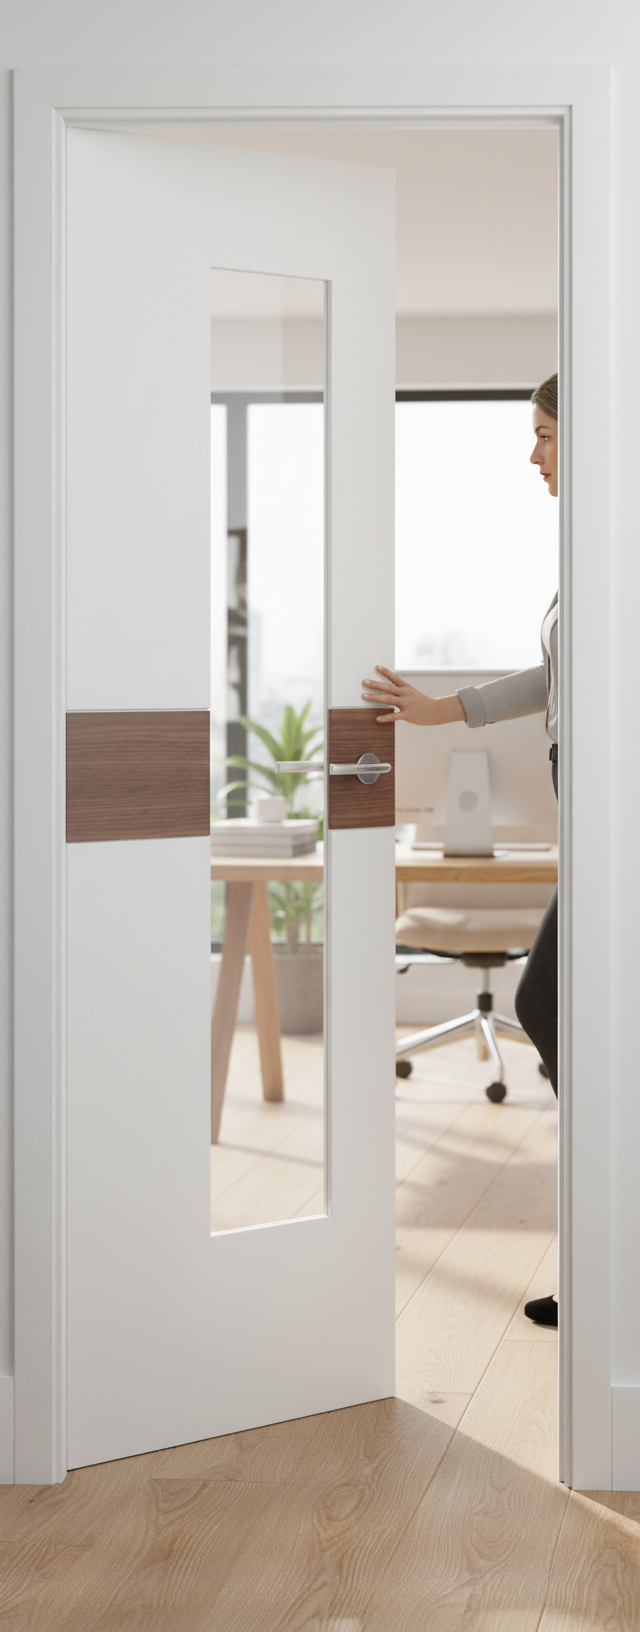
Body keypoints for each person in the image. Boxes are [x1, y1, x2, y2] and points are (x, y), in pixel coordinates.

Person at [362, 372, 559, 1329]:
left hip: (610, 837)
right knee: (559, 1011)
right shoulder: (590, 553)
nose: (535, 457)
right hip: (593, 834)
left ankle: (608, 1240)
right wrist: (444, 712)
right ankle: (606, 1241)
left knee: (550, 1006)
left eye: (546, 435)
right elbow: (557, 674)